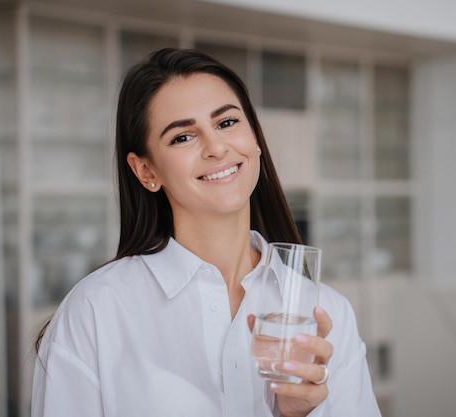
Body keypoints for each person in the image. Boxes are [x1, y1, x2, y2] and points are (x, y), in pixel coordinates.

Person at [31, 47, 381, 417]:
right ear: (146, 171)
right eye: (183, 137)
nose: (216, 147)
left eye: (227, 123)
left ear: (255, 138)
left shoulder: (327, 313)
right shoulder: (96, 311)